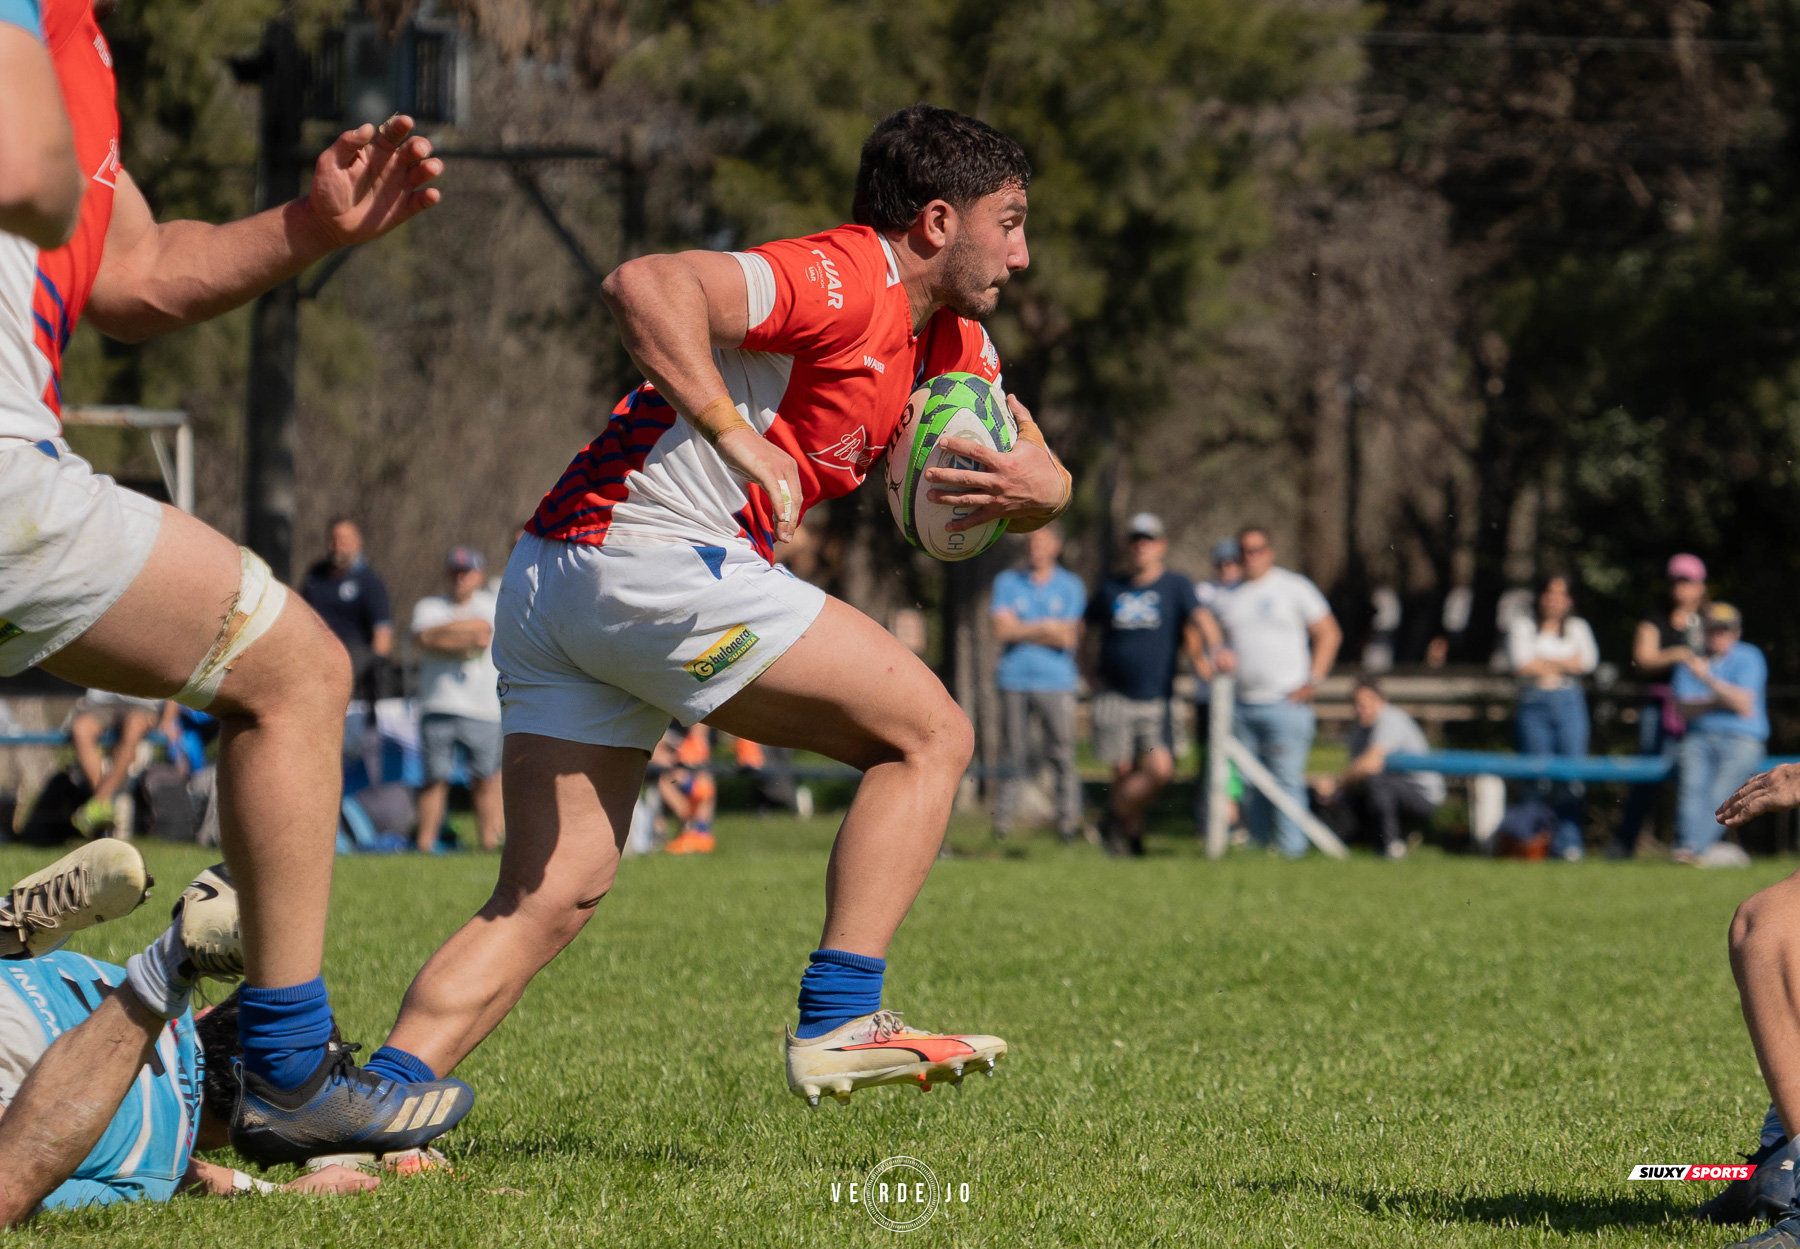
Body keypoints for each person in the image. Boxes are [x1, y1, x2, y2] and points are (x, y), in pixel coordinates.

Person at [357, 104, 1069, 1109]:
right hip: (650, 556)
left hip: (557, 575)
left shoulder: (951, 340)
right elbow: (643, 284)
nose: (1024, 253)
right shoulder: (846, 273)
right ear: (940, 222)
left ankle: (370, 1103)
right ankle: (840, 1015)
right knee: (929, 738)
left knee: (551, 892)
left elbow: (1023, 445)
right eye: (1012, 221)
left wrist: (1051, 489)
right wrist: (735, 435)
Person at [0, 0, 467, 1207]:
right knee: (296, 672)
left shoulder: (76, 36)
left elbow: (133, 272)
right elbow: (28, 176)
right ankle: (285, 1063)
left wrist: (308, 226)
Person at [0, 845, 379, 1213]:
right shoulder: (158, 1162)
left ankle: (13, 923)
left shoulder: (138, 996)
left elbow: (198, 1175)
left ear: (212, 1012)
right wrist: (283, 1192)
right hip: (30, 1073)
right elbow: (49, 1199)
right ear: (255, 1130)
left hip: (20, 980)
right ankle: (170, 963)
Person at [1198, 525, 1342, 859]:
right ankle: (1261, 850)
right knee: (1248, 785)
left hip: (1285, 703)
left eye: (1257, 549)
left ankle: (1292, 853)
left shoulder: (1293, 588)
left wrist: (1314, 680)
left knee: (1286, 780)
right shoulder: (1228, 596)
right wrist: (1209, 657)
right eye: (1244, 551)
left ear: (1270, 552)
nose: (1250, 557)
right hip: (1241, 705)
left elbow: (1328, 633)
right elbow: (1202, 629)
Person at [1085, 513, 1199, 857]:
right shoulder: (1111, 587)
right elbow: (1083, 628)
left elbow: (1198, 624)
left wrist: (1212, 653)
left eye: (1148, 540)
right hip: (1115, 695)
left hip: (1157, 698)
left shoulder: (1176, 585)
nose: (1141, 547)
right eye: (1135, 540)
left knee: (1160, 770)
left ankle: (1110, 818)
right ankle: (1132, 843)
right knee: (1121, 771)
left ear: (1161, 546)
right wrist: (1084, 668)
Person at [989, 524, 1086, 843]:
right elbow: (1001, 630)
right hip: (1013, 679)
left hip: (1055, 682)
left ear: (1056, 547)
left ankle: (1067, 822)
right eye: (1031, 543)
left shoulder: (1070, 586)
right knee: (1012, 753)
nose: (1036, 549)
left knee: (1061, 752)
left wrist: (1023, 628)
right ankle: (1002, 822)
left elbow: (1069, 635)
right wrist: (1046, 627)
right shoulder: (1006, 582)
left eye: (1042, 543)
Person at [1613, 553, 1709, 857]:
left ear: (1700, 585)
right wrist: (1678, 653)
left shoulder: (1711, 621)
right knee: (1649, 775)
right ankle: (1623, 845)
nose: (1681, 588)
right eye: (1676, 581)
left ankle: (1694, 844)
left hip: (1700, 708)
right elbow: (1643, 658)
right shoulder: (1654, 619)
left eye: (1688, 581)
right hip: (1660, 707)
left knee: (1698, 777)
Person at [410, 546, 503, 854]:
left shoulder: (491, 604)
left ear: (479, 575)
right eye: (455, 572)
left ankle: (488, 842)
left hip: (482, 708)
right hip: (438, 704)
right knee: (435, 779)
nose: (459, 579)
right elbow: (422, 638)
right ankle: (425, 844)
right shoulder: (428, 605)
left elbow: (482, 632)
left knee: (485, 778)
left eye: (466, 572)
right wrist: (461, 639)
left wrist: (442, 637)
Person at [1505, 574, 1598, 861]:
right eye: (1549, 593)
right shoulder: (1522, 625)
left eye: (1561, 594)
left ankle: (1568, 844)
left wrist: (1543, 662)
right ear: (1540, 597)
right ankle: (1532, 841)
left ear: (1569, 600)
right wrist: (1565, 663)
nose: (1555, 600)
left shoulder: (1578, 627)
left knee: (1571, 775)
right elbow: (1521, 664)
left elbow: (1588, 662)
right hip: (1534, 704)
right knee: (1536, 774)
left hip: (1571, 703)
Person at [1670, 602, 1765, 864]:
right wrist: (1723, 698)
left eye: (1724, 630)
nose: (1718, 635)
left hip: (1741, 740)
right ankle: (1693, 850)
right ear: (1704, 631)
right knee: (1691, 790)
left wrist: (1707, 680)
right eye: (1713, 629)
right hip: (1698, 737)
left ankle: (1690, 850)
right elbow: (1682, 708)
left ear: (1736, 632)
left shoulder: (1749, 656)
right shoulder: (1692, 658)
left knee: (1721, 792)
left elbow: (1744, 704)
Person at [1310, 678, 1443, 859]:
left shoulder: (1391, 719)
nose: (1362, 708)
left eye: (1367, 702)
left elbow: (1370, 764)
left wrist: (1335, 784)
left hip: (1422, 794)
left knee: (1378, 782)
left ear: (1382, 701)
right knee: (1340, 798)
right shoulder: (1358, 730)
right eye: (1357, 703)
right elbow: (1355, 772)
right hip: (1390, 791)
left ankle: (1390, 845)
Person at [301, 518, 395, 704]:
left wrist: (375, 675)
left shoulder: (370, 582)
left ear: (357, 542)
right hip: (315, 657)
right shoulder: (315, 577)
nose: (338, 546)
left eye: (344, 540)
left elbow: (383, 635)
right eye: (334, 540)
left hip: (353, 663)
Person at [1192, 536, 1245, 835]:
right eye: (1221, 563)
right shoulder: (1204, 593)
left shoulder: (1248, 591)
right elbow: (1192, 629)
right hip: (1208, 693)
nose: (1227, 568)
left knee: (1241, 759)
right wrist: (1200, 661)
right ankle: (1211, 821)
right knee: (1211, 758)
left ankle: (1238, 821)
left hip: (1242, 692)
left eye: (1232, 562)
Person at [66, 688, 166, 835]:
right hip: (102, 701)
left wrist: (168, 719)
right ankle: (103, 804)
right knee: (81, 728)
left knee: (134, 727)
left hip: (143, 701)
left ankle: (99, 803)